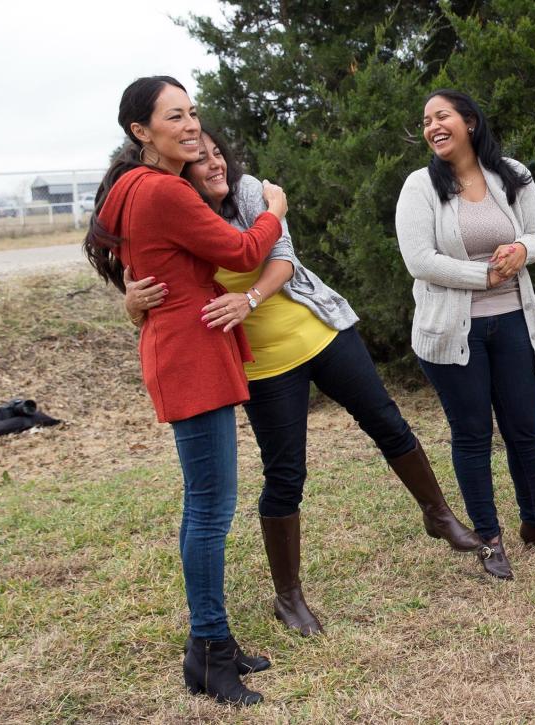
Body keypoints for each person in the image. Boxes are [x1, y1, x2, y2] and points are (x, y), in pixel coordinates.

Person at [125, 124, 481, 635]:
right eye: (201, 159)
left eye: (218, 153)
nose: (215, 164)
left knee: (387, 422)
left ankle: (438, 514)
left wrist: (248, 297)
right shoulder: (177, 216)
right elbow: (154, 294)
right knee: (286, 475)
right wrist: (131, 303)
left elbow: (283, 260)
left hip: (320, 330)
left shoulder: (252, 195)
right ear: (181, 169)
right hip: (264, 365)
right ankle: (288, 598)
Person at [83, 76, 289, 707]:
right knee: (209, 509)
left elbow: (134, 257)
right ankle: (208, 651)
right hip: (191, 354)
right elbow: (244, 249)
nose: (192, 125)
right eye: (176, 116)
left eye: (193, 112)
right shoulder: (163, 191)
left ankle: (211, 646)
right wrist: (275, 206)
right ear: (141, 132)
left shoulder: (129, 187)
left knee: (205, 506)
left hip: (180, 347)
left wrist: (137, 296)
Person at [394, 89, 535, 581]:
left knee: (524, 430)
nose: (432, 126)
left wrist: (520, 248)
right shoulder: (420, 187)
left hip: (515, 319)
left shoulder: (511, 174)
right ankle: (489, 540)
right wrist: (484, 276)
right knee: (472, 436)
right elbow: (420, 260)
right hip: (453, 329)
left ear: (469, 121)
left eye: (442, 116)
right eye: (426, 120)